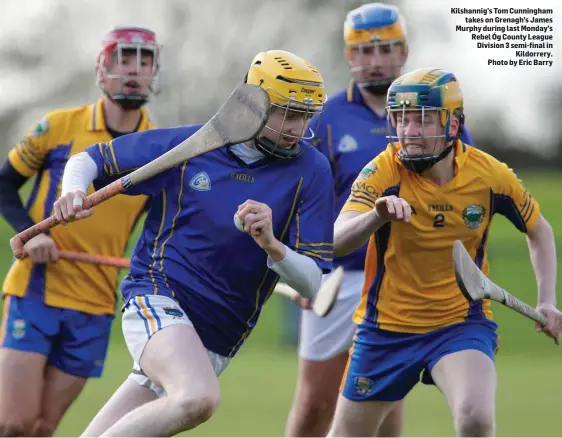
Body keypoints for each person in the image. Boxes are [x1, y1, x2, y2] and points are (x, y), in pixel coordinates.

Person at [52, 49, 335, 437]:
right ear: (255, 103)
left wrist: (273, 245)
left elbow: (312, 284)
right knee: (197, 398)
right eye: (288, 114)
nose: (297, 129)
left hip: (219, 334)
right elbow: (89, 160)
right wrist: (72, 192)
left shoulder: (312, 170)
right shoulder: (192, 146)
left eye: (305, 117)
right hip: (158, 295)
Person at [326, 67, 562, 437]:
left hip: (459, 324)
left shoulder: (488, 175)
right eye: (401, 120)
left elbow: (540, 232)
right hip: (385, 330)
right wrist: (376, 216)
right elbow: (337, 238)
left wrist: (547, 300)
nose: (409, 132)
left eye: (422, 120)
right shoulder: (383, 170)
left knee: (476, 416)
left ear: (452, 125)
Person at [286, 4, 476, 437]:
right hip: (340, 277)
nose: (375, 60)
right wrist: (301, 265)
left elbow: (468, 192)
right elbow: (300, 197)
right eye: (364, 51)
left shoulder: (442, 115)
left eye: (386, 48)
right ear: (349, 56)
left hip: (404, 281)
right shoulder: (327, 119)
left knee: (384, 399)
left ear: (404, 50)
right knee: (315, 402)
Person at [0, 26, 161, 437]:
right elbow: (3, 183)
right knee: (13, 423)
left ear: (155, 70)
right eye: (123, 58)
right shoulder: (58, 127)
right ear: (102, 69)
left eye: (143, 60)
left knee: (41, 427)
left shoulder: (158, 149)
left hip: (96, 301)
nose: (133, 70)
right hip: (37, 288)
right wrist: (32, 233)